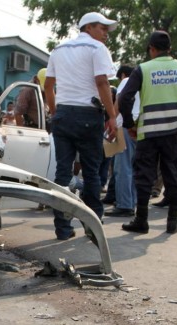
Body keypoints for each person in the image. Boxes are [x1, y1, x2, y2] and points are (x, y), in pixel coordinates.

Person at [44, 11, 118, 240]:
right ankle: (93, 226)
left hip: (64, 115)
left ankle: (62, 228)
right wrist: (112, 116)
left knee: (62, 174)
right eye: (102, 28)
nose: (106, 34)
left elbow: (48, 86)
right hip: (88, 115)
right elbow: (102, 82)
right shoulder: (97, 49)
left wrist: (57, 113)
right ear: (89, 28)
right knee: (92, 173)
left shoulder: (58, 50)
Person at [118, 30, 177, 234]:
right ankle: (172, 222)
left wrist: (130, 124)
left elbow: (125, 97)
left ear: (151, 49)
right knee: (174, 174)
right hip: (174, 132)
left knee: (144, 175)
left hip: (148, 133)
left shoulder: (143, 69)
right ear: (170, 49)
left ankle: (141, 220)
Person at [105, 65, 139, 217]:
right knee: (133, 167)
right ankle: (131, 200)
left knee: (122, 167)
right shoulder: (142, 81)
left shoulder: (126, 81)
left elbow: (119, 102)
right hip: (139, 125)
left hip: (124, 125)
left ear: (123, 75)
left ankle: (124, 204)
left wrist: (112, 121)